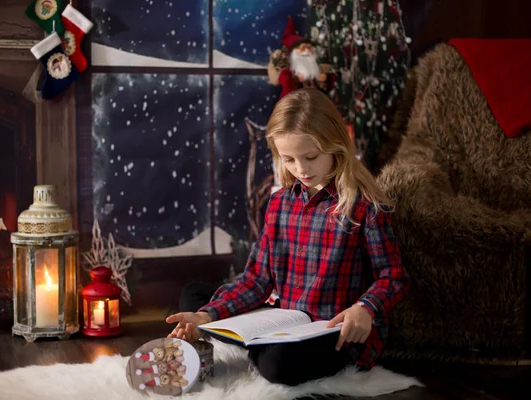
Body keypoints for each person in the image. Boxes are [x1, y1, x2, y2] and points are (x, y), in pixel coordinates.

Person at [166, 88, 410, 386]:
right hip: (283, 320)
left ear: (336, 146)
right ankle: (239, 335)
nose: (301, 169)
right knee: (194, 297)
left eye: (310, 157)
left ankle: (252, 345)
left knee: (278, 366)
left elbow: (393, 276)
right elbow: (257, 279)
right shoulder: (280, 202)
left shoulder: (364, 206)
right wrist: (206, 315)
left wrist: (365, 308)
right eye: (289, 159)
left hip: (335, 332)